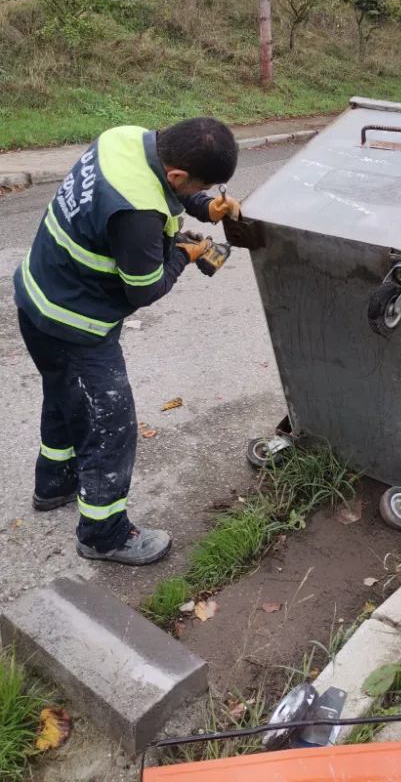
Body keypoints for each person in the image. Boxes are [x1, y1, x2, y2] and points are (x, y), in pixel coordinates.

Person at [14, 117, 240, 566]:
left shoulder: (124, 139)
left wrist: (201, 207)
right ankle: (103, 535)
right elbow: (145, 288)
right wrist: (183, 253)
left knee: (65, 394)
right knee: (110, 425)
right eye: (201, 187)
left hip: (37, 296)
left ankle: (55, 483)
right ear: (177, 174)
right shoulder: (136, 213)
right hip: (74, 322)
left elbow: (166, 183)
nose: (205, 192)